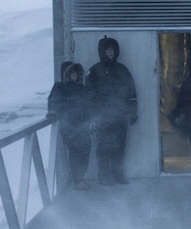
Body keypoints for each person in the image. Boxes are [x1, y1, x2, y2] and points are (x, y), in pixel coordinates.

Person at [86, 36, 137, 185]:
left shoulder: (122, 70)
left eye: (112, 50)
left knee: (119, 147)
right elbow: (89, 96)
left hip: (120, 117)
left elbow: (131, 93)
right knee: (103, 148)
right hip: (103, 118)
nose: (110, 53)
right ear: (102, 52)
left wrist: (132, 112)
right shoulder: (94, 71)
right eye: (107, 50)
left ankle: (118, 175)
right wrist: (93, 116)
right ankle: (104, 177)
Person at [47, 61, 93, 190]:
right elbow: (53, 102)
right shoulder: (59, 87)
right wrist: (53, 112)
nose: (74, 75)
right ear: (65, 74)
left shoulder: (81, 87)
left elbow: (88, 106)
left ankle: (80, 178)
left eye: (75, 72)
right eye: (71, 72)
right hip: (70, 128)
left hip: (83, 126)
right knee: (75, 154)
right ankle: (77, 181)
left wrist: (90, 120)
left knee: (85, 153)